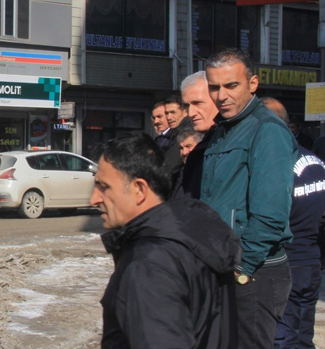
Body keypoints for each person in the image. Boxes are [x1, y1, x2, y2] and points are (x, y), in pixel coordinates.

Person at [92, 132, 240, 349]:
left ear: (139, 189)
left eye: (103, 187)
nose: (93, 199)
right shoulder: (190, 234)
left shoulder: (149, 264)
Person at [200, 48, 296, 349]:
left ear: (252, 84)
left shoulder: (267, 131)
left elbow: (271, 213)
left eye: (231, 86)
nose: (221, 95)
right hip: (225, 266)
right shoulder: (223, 131)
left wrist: (244, 268)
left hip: (255, 272)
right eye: (214, 87)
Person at [262, 97, 325, 349]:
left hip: (285, 262)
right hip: (310, 260)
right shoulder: (316, 162)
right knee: (302, 337)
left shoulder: (277, 165)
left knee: (283, 339)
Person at [173, 71, 220, 199]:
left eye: (198, 103)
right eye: (187, 105)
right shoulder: (202, 148)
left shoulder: (234, 142)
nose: (191, 112)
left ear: (217, 99)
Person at [161, 95, 192, 186]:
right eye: (166, 113)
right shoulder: (176, 132)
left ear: (185, 112)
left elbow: (170, 166)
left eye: (173, 112)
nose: (169, 117)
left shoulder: (187, 131)